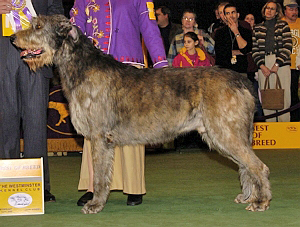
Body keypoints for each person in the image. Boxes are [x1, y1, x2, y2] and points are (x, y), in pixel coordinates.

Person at [70, 0, 168, 206]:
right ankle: (94, 186)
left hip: (129, 68)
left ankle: (134, 186)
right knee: (94, 130)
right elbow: (74, 31)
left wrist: (162, 66)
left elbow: (149, 28)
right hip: (93, 71)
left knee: (132, 128)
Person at [0, 0, 64, 202]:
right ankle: (5, 183)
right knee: (5, 121)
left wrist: (40, 23)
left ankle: (39, 186)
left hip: (37, 53)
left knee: (36, 121)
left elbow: (57, 14)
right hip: (3, 53)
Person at [252, 0, 292, 122]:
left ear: (276, 12)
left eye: (272, 9)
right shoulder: (257, 28)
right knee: (267, 99)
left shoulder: (283, 25)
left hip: (281, 64)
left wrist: (277, 64)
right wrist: (262, 66)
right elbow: (255, 50)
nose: (269, 10)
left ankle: (284, 133)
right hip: (264, 64)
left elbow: (288, 46)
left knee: (283, 99)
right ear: (264, 10)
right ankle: (272, 130)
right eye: (267, 8)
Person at [214, 3, 252, 75]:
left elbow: (246, 50)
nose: (231, 16)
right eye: (228, 13)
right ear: (225, 17)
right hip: (224, 73)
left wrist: (236, 32)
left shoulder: (246, 31)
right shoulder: (219, 33)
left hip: (241, 72)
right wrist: (238, 52)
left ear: (238, 15)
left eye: (233, 12)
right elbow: (220, 54)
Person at [282, 0, 300, 122]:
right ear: (285, 11)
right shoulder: (280, 24)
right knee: (290, 97)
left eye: (296, 9)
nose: (294, 12)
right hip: (287, 66)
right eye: (291, 9)